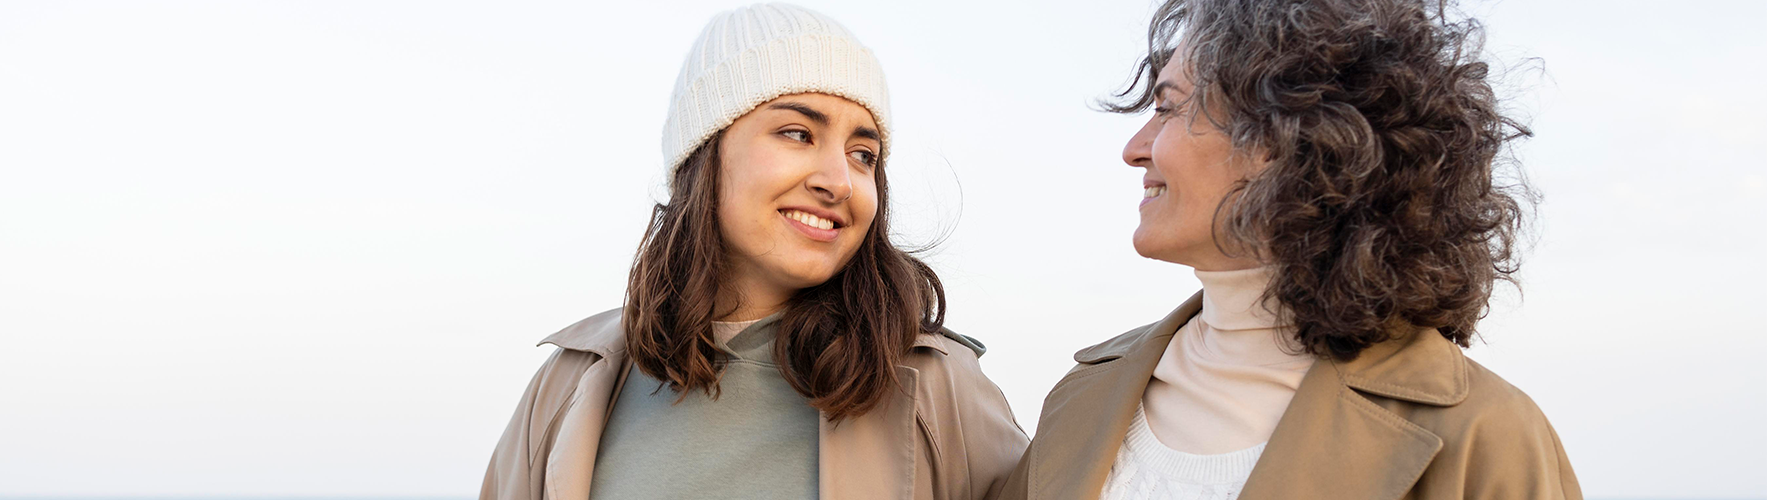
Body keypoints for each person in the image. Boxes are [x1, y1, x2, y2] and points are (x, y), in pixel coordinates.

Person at [995, 0, 1581, 498]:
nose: (1134, 148)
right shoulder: (1083, 396)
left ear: (1283, 136)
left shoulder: (1487, 435)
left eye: (1169, 108)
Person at [480, 4, 1027, 500]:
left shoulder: (934, 383)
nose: (840, 181)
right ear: (703, 155)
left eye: (864, 154)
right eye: (796, 133)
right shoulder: (572, 380)